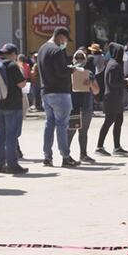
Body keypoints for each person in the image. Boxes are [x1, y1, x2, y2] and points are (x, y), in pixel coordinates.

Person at [37, 27, 79, 168]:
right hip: (60, 93)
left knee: (49, 124)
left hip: (46, 92)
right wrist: (72, 69)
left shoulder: (42, 49)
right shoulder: (56, 50)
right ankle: (65, 156)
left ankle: (47, 157)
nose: (65, 43)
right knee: (62, 125)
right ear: (60, 37)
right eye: (66, 40)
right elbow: (61, 72)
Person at [0, 43, 28, 174]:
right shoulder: (13, 65)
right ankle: (12, 164)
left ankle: (0, 164)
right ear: (13, 54)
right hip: (13, 105)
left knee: (0, 134)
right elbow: (22, 84)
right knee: (11, 135)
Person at [96, 43, 128, 156]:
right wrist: (126, 82)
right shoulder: (114, 65)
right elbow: (113, 82)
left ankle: (117, 146)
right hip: (112, 98)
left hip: (116, 98)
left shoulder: (113, 64)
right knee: (108, 121)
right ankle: (99, 147)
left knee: (118, 120)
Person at [69, 49, 99, 163]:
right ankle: (66, 155)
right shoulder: (68, 72)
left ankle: (83, 154)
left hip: (86, 106)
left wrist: (90, 83)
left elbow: (96, 91)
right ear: (73, 59)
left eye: (82, 58)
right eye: (77, 58)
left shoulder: (89, 73)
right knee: (71, 131)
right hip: (73, 106)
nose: (80, 60)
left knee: (83, 132)